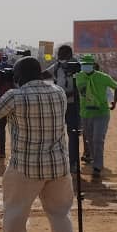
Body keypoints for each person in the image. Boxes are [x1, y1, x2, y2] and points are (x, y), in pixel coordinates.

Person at [0, 57, 75, 232]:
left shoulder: (15, 96)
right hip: (58, 166)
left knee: (16, 214)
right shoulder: (58, 92)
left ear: (18, 77)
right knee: (60, 215)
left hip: (25, 168)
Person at [75, 54, 117, 178]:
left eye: (87, 65)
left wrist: (114, 103)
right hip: (85, 113)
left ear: (92, 65)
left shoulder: (103, 77)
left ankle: (97, 166)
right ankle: (93, 158)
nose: (85, 67)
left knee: (97, 139)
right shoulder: (77, 77)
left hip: (101, 113)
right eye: (83, 65)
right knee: (89, 139)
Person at [43, 45, 82, 173]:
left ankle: (73, 163)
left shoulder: (78, 66)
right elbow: (44, 74)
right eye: (58, 53)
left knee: (73, 133)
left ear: (69, 54)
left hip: (73, 105)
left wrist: (71, 94)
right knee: (56, 133)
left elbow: (82, 85)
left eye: (62, 53)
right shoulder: (57, 66)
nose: (59, 56)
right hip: (58, 104)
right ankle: (58, 160)